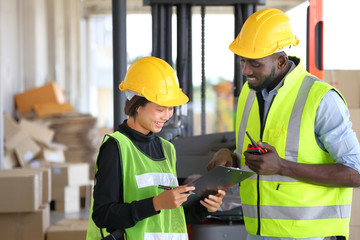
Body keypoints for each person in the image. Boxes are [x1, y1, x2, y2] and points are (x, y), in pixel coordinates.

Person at [207, 8, 360, 240]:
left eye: (255, 64)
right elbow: (258, 159)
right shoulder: (250, 94)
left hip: (309, 234)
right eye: (243, 61)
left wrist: (282, 166)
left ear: (281, 61)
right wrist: (231, 157)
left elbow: (354, 172)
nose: (246, 71)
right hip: (258, 232)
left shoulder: (321, 98)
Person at [86, 56, 226, 240]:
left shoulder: (167, 149)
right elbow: (103, 215)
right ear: (137, 105)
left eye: (171, 109)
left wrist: (204, 208)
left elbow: (170, 218)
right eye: (160, 109)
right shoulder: (116, 147)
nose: (167, 116)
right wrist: (155, 203)